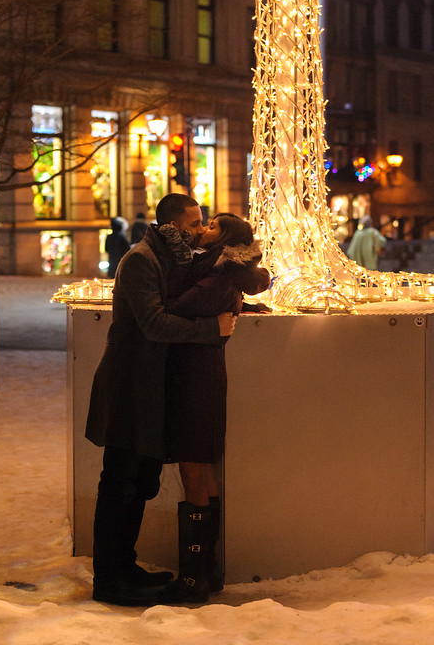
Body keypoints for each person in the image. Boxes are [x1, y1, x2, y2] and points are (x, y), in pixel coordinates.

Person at [85, 194, 237, 606]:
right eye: (193, 224)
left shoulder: (171, 259)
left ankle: (124, 567)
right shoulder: (141, 260)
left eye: (201, 223)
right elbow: (153, 322)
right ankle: (110, 580)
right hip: (129, 389)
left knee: (140, 483)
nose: (198, 231)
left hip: (149, 391)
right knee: (121, 482)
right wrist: (212, 328)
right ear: (171, 224)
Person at [157, 213, 270, 604]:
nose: (202, 229)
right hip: (201, 372)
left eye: (212, 226)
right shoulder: (219, 274)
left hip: (195, 376)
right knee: (200, 466)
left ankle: (193, 579)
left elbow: (172, 308)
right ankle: (205, 571)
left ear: (224, 240)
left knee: (193, 466)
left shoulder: (215, 278)